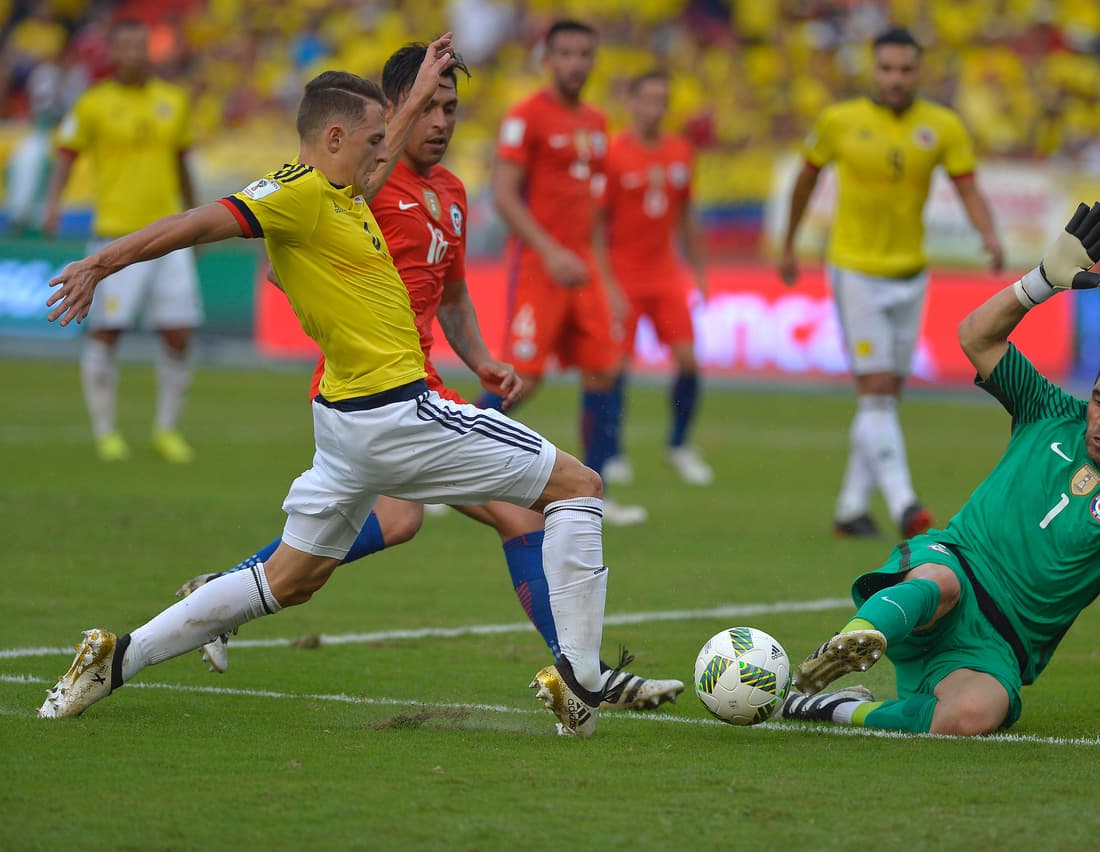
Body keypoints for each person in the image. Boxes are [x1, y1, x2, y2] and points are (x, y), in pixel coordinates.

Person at [39, 39, 615, 738]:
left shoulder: (341, 195)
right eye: (374, 140)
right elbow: (194, 224)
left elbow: (370, 163)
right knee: (578, 486)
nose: (385, 153)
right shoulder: (300, 197)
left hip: (346, 428)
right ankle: (585, 677)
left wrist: (416, 91)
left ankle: (115, 659)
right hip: (398, 412)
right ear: (335, 138)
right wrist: (101, 261)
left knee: (289, 581)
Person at [177, 43, 683, 712]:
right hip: (372, 392)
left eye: (452, 109)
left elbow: (452, 294)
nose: (442, 122)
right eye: (430, 107)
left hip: (423, 388)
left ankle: (223, 592)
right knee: (510, 512)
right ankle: (581, 674)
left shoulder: (450, 192)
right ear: (390, 114)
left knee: (435, 520)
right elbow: (285, 256)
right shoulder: (366, 184)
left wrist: (482, 361)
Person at [781, 202, 1100, 736]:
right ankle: (847, 643)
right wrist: (1041, 281)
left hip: (998, 642)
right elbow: (975, 335)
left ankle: (832, 707)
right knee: (937, 582)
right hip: (957, 566)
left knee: (972, 717)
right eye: (1098, 400)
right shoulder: (1048, 411)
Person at [779, 26, 1004, 540]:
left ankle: (850, 509)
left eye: (905, 69)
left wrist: (988, 234)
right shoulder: (840, 121)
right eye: (887, 69)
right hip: (855, 269)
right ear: (873, 70)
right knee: (876, 389)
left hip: (910, 272)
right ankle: (905, 503)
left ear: (917, 72)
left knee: (885, 399)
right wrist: (790, 242)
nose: (896, 78)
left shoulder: (942, 126)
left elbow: (968, 188)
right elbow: (805, 180)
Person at [485, 18, 647, 526]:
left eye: (584, 54)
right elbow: (504, 195)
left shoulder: (598, 124)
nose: (576, 63)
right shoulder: (527, 116)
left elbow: (595, 214)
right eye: (567, 54)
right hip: (540, 265)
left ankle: (594, 491)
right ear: (547, 60)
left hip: (584, 270)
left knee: (605, 370)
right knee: (523, 380)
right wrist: (550, 251)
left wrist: (608, 278)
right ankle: (443, 469)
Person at [43, 18, 201, 463]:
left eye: (140, 46)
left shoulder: (173, 101)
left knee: (179, 333)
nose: (134, 54)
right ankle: (106, 432)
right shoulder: (93, 103)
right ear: (112, 54)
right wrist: (52, 203)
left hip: (171, 235)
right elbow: (66, 154)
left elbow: (183, 164)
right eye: (126, 47)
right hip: (115, 236)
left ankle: (166, 430)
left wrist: (199, 221)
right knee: (107, 331)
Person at [595, 69, 713, 487]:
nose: (654, 108)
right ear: (631, 102)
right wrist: (606, 282)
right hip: (623, 272)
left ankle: (679, 444)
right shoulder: (612, 153)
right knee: (615, 366)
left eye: (661, 100)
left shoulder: (681, 151)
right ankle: (612, 452)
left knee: (687, 360)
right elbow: (595, 223)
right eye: (647, 99)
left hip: (665, 273)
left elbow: (686, 217)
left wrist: (699, 271)